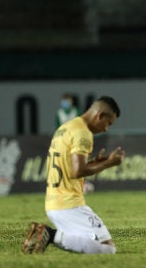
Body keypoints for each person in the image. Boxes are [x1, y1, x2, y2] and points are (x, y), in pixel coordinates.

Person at [22, 96, 125, 254]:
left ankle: (51, 235)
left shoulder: (66, 128)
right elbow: (78, 171)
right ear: (100, 115)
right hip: (69, 204)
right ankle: (49, 234)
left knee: (83, 243)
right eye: (108, 123)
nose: (106, 129)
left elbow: (70, 167)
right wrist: (108, 163)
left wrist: (94, 162)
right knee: (108, 249)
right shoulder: (83, 133)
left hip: (53, 202)